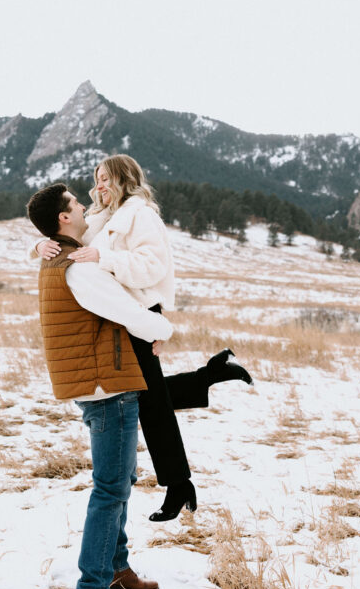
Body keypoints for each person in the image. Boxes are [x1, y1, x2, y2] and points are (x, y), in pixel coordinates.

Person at [32, 154, 252, 522]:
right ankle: (208, 378)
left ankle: (179, 483)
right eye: (96, 178)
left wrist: (105, 258)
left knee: (150, 402)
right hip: (124, 314)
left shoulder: (141, 214)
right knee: (147, 394)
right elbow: (66, 234)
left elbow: (153, 266)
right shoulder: (106, 215)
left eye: (105, 179)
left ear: (123, 179)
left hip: (141, 311)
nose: (98, 186)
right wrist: (38, 246)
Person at [27, 182, 167, 589]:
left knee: (120, 479)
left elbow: (101, 232)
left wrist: (36, 244)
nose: (84, 205)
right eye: (75, 203)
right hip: (108, 386)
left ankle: (116, 570)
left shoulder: (57, 256)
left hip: (97, 384)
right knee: (110, 490)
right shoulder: (77, 267)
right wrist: (162, 326)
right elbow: (121, 308)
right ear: (64, 219)